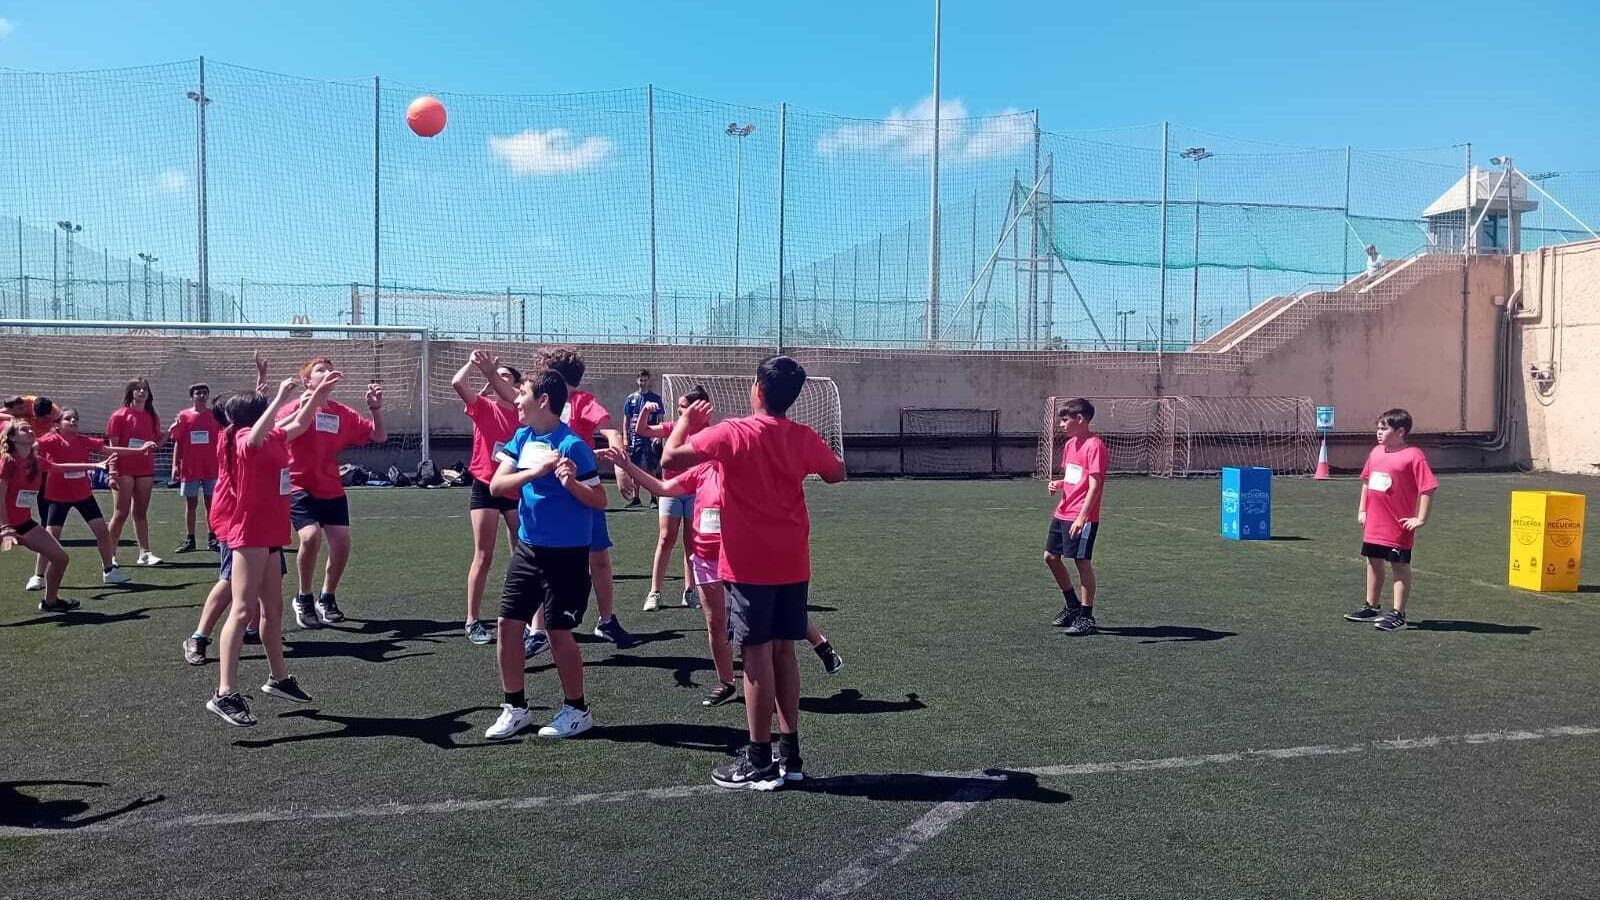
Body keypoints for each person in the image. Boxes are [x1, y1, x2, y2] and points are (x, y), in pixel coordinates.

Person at [661, 355, 846, 790]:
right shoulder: (801, 435)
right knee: (786, 650)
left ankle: (760, 757)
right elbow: (836, 473)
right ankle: (790, 753)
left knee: (757, 657)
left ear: (757, 389)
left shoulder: (732, 432)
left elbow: (670, 460)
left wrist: (686, 419)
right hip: (793, 560)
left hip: (748, 565)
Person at [206, 370, 339, 727]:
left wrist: (317, 394)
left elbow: (297, 422)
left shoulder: (272, 435)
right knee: (242, 609)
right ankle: (224, 693)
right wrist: (280, 397)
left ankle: (278, 679)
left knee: (273, 610)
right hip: (249, 532)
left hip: (271, 532)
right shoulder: (242, 438)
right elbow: (263, 431)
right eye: (265, 406)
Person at [483, 367, 607, 741]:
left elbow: (599, 500)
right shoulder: (521, 438)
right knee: (508, 625)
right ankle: (515, 708)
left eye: (522, 393)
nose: (515, 399)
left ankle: (577, 709)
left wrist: (570, 483)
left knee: (558, 633)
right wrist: (535, 473)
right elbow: (496, 485)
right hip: (528, 549)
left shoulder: (573, 447)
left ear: (544, 401)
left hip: (566, 555)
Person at [490, 347, 633, 653]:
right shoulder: (536, 411)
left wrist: (620, 469)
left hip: (581, 488)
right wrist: (490, 374)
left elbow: (609, 431)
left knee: (599, 558)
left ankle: (606, 620)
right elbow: (510, 394)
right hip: (549, 496)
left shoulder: (580, 402)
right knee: (540, 563)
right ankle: (538, 629)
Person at [277, 357, 385, 630]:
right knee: (310, 537)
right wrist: (302, 407)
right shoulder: (295, 408)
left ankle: (327, 597)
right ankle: (304, 596)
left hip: (331, 486)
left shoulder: (341, 412)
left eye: (329, 369)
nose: (326, 373)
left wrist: (375, 409)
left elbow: (379, 436)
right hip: (298, 484)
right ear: (307, 380)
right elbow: (276, 435)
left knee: (341, 544)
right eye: (319, 370)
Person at [185, 356, 271, 666]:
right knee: (230, 580)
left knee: (260, 580)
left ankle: (253, 627)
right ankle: (199, 636)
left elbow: (258, 406)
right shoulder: (235, 438)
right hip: (235, 519)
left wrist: (262, 376)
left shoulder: (241, 429)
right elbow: (263, 414)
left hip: (256, 520)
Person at [29, 408, 151, 590]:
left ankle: (109, 571)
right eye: (68, 419)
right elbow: (31, 448)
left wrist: (140, 450)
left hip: (83, 494)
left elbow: (109, 449)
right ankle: (38, 576)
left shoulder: (83, 440)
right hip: (57, 496)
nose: (73, 422)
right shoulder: (51, 440)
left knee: (102, 532)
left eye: (75, 419)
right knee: (51, 537)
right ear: (57, 424)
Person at [452, 350, 523, 645]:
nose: (499, 379)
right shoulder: (482, 406)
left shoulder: (523, 414)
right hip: (485, 485)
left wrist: (494, 375)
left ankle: (527, 618)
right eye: (497, 376)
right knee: (484, 554)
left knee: (523, 553)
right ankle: (472, 620)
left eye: (505, 376)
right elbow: (458, 382)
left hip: (515, 488)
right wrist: (473, 363)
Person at [1345, 408, 1437, 632]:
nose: (1378, 432)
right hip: (1374, 523)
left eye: (1384, 428)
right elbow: (1366, 482)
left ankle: (1398, 614)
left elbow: (1428, 487)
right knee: (1373, 562)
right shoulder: (1376, 452)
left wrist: (1420, 518)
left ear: (1401, 431)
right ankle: (1372, 607)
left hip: (1398, 525)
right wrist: (1362, 510)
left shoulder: (1414, 455)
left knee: (1399, 566)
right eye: (1378, 427)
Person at [2, 420, 108, 612]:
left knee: (60, 558)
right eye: (23, 429)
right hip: (4, 524)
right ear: (12, 437)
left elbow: (60, 467)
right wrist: (5, 528)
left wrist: (94, 465)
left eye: (30, 428)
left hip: (24, 523)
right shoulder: (6, 462)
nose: (30, 430)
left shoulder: (34, 461)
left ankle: (50, 602)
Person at [1045, 399, 1108, 636]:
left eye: (1064, 419)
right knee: (1051, 557)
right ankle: (1072, 605)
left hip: (1081, 515)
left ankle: (1086, 616)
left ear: (1079, 419)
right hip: (1063, 511)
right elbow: (1074, 478)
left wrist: (1082, 517)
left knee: (1082, 562)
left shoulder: (1095, 446)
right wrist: (1059, 484)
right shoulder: (1071, 444)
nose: (1061, 424)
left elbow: (1094, 485)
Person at [631, 393, 698, 611]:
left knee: (692, 542)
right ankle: (655, 592)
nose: (680, 410)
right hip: (669, 490)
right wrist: (645, 412)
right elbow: (642, 431)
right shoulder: (673, 427)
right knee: (666, 538)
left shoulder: (704, 431)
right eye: (679, 406)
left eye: (684, 406)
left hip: (695, 492)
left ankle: (690, 591)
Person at [105, 378, 165, 567]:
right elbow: (113, 447)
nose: (141, 392)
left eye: (145, 389)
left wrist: (169, 434)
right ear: (130, 392)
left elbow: (154, 446)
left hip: (145, 469)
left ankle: (145, 553)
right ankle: (109, 555)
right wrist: (112, 471)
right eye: (137, 389)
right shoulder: (119, 416)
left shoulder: (152, 416)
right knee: (120, 513)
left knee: (140, 513)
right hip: (124, 469)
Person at [170, 383, 220, 553]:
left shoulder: (214, 416)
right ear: (192, 396)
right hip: (190, 467)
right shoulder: (184, 416)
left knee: (211, 504)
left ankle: (213, 538)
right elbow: (178, 441)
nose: (201, 396)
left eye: (205, 393)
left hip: (211, 467)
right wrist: (174, 465)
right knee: (191, 504)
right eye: (198, 393)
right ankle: (190, 539)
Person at [619, 370, 664, 507]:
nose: (643, 383)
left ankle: (654, 498)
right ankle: (636, 498)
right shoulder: (631, 398)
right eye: (640, 380)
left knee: (651, 467)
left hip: (650, 436)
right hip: (634, 437)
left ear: (649, 381)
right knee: (634, 466)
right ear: (637, 380)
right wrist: (625, 438)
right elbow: (626, 419)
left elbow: (661, 418)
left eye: (645, 380)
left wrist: (658, 435)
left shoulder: (655, 398)